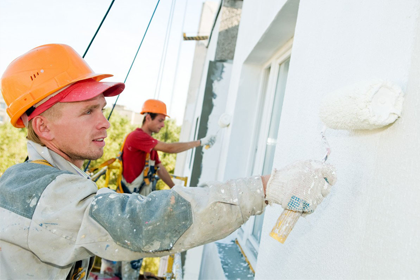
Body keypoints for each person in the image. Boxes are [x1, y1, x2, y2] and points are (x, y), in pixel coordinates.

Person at [0, 44, 337, 280]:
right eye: (88, 111)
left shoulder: (47, 179)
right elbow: (141, 222)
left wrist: (180, 186)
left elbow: (158, 166)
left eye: (102, 108)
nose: (104, 122)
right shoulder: (36, 193)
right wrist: (265, 187)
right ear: (43, 126)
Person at [101, 99, 216, 278]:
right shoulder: (137, 137)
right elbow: (169, 148)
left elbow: (159, 167)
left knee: (131, 255)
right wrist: (200, 142)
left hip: (137, 208)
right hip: (129, 207)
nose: (162, 125)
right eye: (160, 120)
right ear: (148, 117)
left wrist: (176, 188)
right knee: (122, 255)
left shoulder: (148, 146)